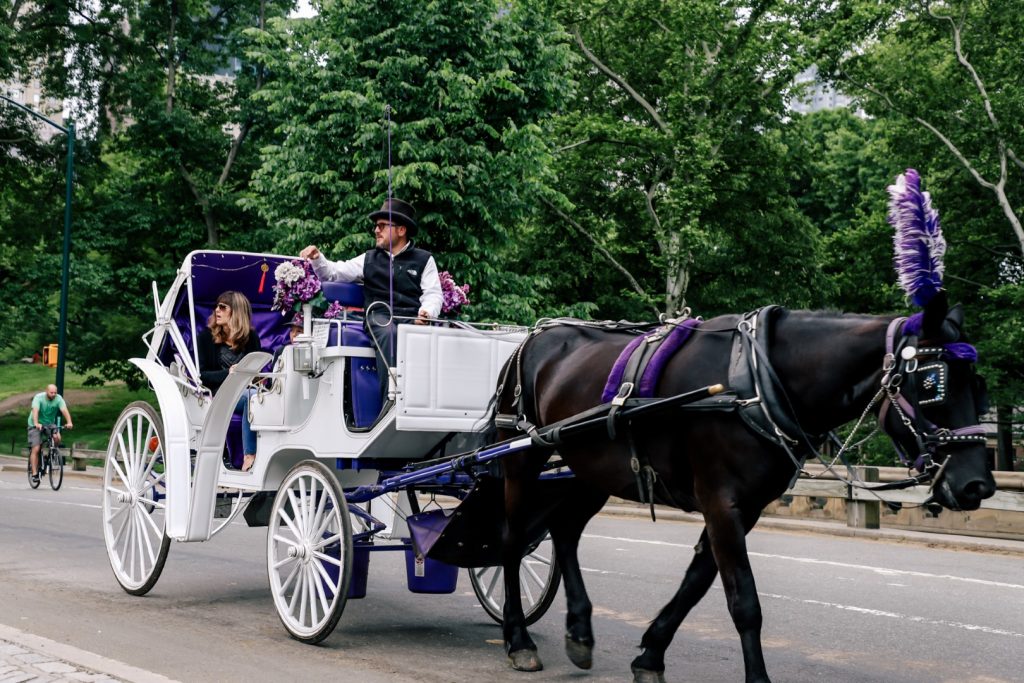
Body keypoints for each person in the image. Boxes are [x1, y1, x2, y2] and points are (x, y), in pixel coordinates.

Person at [300, 198, 442, 411]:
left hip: (412, 319)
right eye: (376, 226)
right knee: (390, 333)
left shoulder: (424, 259)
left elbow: (433, 294)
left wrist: (426, 313)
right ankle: (391, 402)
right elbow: (333, 272)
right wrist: (317, 257)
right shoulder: (368, 259)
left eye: (383, 225)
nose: (376, 230)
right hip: (380, 317)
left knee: (441, 337)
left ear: (401, 230)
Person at [197, 290, 262, 472]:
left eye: (222, 307)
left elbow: (256, 370)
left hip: (248, 390)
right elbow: (202, 375)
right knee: (253, 398)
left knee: (259, 396)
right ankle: (249, 456)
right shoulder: (206, 337)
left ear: (236, 311)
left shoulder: (251, 338)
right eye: (216, 306)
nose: (217, 310)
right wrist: (229, 373)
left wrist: (257, 375)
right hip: (220, 394)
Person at [27, 384, 73, 485]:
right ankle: (34, 473)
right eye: (51, 392)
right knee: (36, 448)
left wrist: (69, 422)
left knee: (57, 437)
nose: (53, 394)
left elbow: (64, 410)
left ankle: (52, 453)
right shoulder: (38, 398)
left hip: (49, 423)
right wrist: (36, 423)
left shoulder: (58, 399)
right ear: (46, 391)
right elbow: (35, 411)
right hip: (35, 423)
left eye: (55, 393)